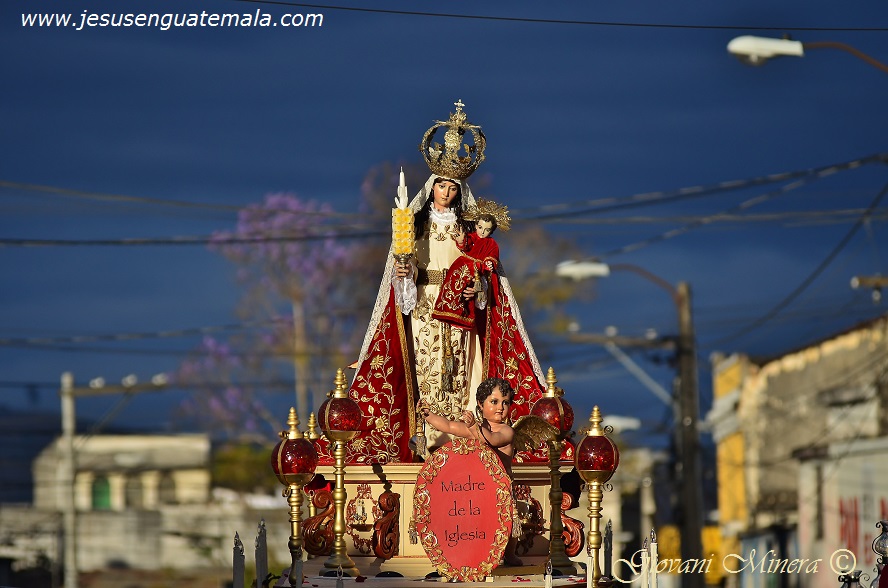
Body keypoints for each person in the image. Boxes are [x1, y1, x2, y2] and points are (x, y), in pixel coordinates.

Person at [328, 103, 549, 465]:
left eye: (452, 187)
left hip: (460, 311)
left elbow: (487, 278)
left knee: (459, 372)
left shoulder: (469, 229)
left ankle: (462, 444)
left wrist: (477, 289)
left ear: (459, 192)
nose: (446, 192)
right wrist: (404, 276)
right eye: (441, 185)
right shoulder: (414, 226)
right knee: (425, 371)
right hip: (425, 310)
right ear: (431, 188)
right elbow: (401, 290)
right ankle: (427, 443)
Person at [418, 377, 524, 566]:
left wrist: (474, 427)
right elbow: (449, 426)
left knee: (505, 521)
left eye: (505, 402)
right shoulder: (475, 429)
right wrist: (429, 416)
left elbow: (490, 440)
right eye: (494, 401)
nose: (500, 407)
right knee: (482, 523)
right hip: (481, 489)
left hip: (501, 490)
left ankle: (509, 553)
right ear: (480, 404)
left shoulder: (507, 431)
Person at [431, 199, 507, 331]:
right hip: (463, 265)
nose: (482, 232)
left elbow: (492, 256)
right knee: (454, 285)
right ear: (476, 225)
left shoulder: (491, 243)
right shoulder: (472, 237)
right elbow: (465, 245)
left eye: (487, 230)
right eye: (480, 227)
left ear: (491, 231)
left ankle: (462, 314)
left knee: (468, 294)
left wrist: (489, 263)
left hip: (477, 269)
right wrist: (461, 240)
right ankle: (447, 307)